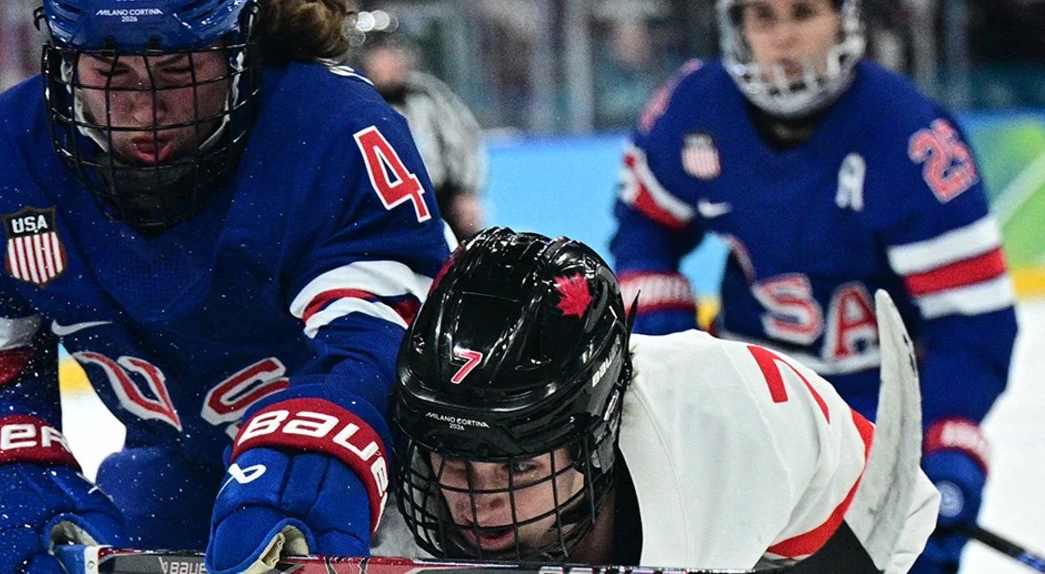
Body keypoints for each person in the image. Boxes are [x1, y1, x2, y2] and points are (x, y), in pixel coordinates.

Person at [0, 0, 450, 574]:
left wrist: (315, 463)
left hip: (397, 483)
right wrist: (14, 502)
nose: (145, 110)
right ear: (63, 52)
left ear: (240, 43)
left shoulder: (331, 131)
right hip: (180, 471)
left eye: (179, 69)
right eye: (110, 72)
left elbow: (392, 343)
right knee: (141, 500)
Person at [609, 0, 1018, 572]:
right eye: (762, 15)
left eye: (803, 11)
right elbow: (645, 224)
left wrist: (940, 442)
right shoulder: (694, 110)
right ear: (735, 25)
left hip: (876, 406)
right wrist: (669, 343)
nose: (783, 36)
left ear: (844, 15)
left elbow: (975, 323)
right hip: (751, 395)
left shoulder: (909, 138)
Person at [381, 228, 938, 571]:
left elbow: (898, 502)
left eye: (517, 465)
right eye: (453, 458)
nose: (478, 505)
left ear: (597, 431)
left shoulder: (727, 418)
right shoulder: (377, 492)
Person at [357, 34, 488, 240]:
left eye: (397, 53)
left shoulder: (427, 94)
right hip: (382, 208)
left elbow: (462, 140)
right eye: (383, 55)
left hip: (439, 199)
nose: (394, 61)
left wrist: (466, 191)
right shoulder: (358, 100)